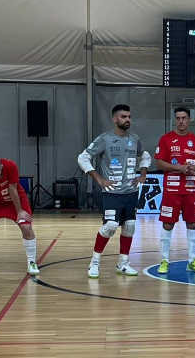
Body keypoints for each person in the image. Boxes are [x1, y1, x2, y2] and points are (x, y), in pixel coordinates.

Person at [77, 104, 151, 278]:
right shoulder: (105, 139)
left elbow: (145, 156)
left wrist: (143, 174)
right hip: (112, 193)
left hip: (131, 192)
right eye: (124, 117)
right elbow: (83, 158)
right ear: (115, 119)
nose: (127, 120)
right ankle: (94, 263)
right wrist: (99, 179)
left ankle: (122, 264)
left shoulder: (135, 139)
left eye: (129, 116)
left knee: (129, 227)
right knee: (110, 226)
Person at [155, 106, 195, 274]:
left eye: (184, 118)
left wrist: (194, 168)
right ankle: (164, 261)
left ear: (190, 119)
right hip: (172, 189)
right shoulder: (166, 139)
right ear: (174, 120)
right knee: (168, 223)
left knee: (192, 223)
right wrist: (179, 168)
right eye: (178, 118)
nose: (181, 121)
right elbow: (159, 163)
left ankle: (192, 261)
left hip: (191, 189)